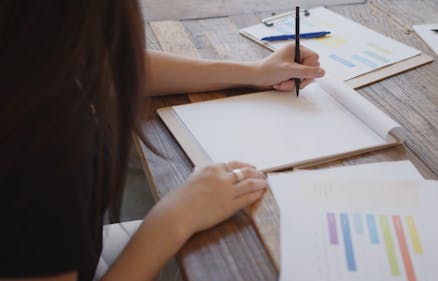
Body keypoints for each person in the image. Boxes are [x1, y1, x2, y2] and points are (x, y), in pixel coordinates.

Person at [0, 1, 324, 281]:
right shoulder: (44, 150)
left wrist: (253, 72)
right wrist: (174, 217)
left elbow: (107, 65)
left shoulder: (29, 57)